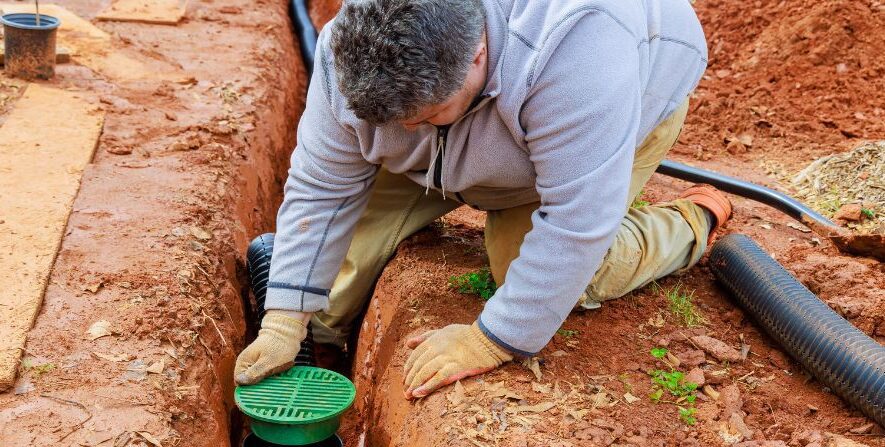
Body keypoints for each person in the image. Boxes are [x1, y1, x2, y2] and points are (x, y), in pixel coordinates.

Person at [234, 0, 731, 399]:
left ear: (475, 53)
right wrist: (283, 320)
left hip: (607, 107)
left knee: (550, 268)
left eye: (424, 115)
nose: (405, 130)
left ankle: (691, 221)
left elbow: (576, 222)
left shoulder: (579, 51)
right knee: (333, 289)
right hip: (457, 136)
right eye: (392, 123)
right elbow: (323, 187)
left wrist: (491, 339)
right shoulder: (350, 45)